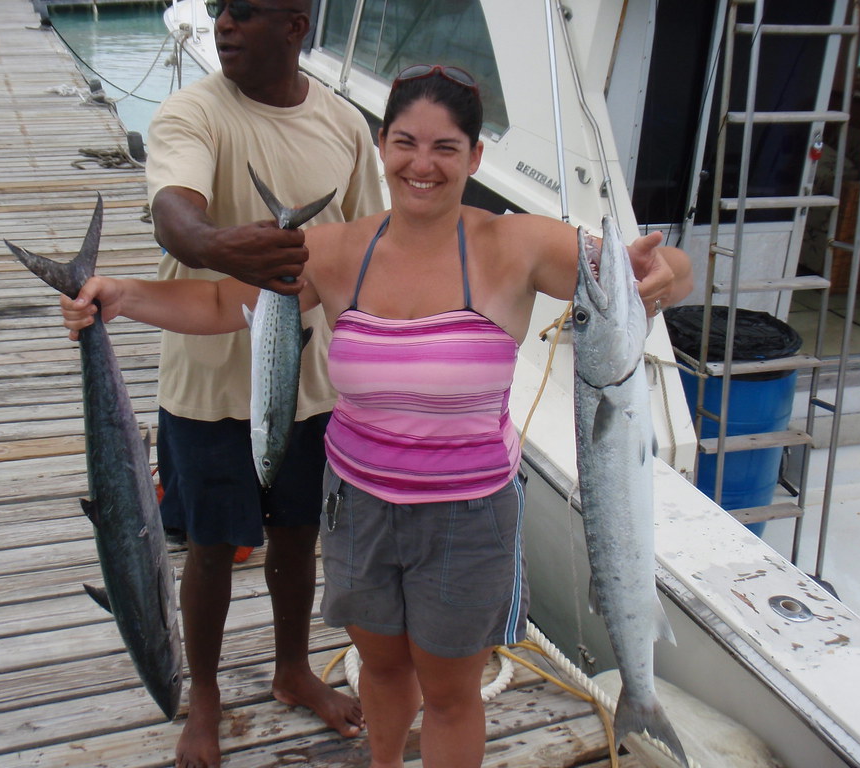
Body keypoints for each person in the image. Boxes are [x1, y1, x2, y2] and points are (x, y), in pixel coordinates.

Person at [65, 65, 693, 768]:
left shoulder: (516, 245)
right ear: (381, 146)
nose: (422, 165)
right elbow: (220, 305)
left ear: (475, 157)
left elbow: (657, 265)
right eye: (405, 143)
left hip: (468, 518)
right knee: (384, 670)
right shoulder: (337, 250)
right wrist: (121, 296)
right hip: (357, 509)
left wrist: (668, 273)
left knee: (451, 695)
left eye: (445, 148)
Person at [142, 1, 384, 766]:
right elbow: (173, 214)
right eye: (220, 10)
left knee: (298, 532)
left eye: (246, 12)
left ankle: (292, 668)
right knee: (212, 544)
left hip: (310, 385)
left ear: (295, 25)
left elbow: (368, 245)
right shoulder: (193, 113)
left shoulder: (344, 127)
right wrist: (217, 246)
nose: (224, 25)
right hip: (207, 386)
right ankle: (205, 694)